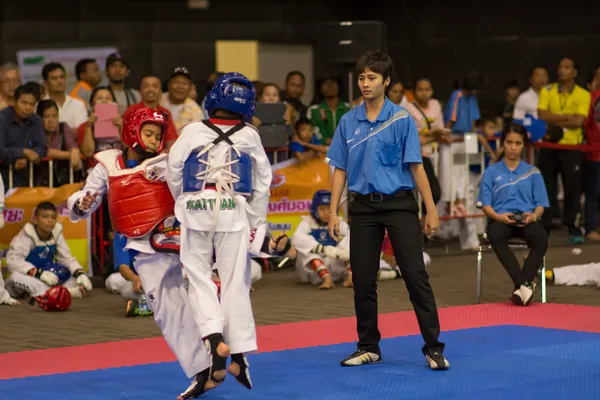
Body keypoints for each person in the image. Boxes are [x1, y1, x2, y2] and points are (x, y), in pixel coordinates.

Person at [66, 107, 214, 399]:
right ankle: (203, 369)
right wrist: (81, 203)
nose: (153, 140)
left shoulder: (166, 162)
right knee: (165, 308)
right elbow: (86, 197)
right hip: (145, 248)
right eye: (148, 133)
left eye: (157, 135)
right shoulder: (107, 164)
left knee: (202, 289)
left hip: (177, 236)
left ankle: (221, 349)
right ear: (132, 132)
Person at [325, 51, 448, 370]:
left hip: (399, 206)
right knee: (363, 279)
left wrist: (430, 211)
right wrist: (333, 210)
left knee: (415, 275)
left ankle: (433, 347)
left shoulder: (401, 118)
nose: (365, 83)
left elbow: (416, 166)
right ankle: (368, 346)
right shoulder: (348, 120)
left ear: (387, 81)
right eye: (362, 78)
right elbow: (339, 167)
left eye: (372, 78)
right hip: (363, 208)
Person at [166, 72, 272, 391]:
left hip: (197, 207)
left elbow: (173, 168)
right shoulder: (250, 134)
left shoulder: (193, 130)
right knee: (234, 280)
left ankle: (214, 338)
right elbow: (263, 178)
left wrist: (182, 202)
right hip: (233, 209)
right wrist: (254, 217)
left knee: (198, 276)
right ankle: (238, 351)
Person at [476, 123, 550, 306]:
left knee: (541, 238)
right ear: (503, 144)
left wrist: (533, 216)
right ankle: (525, 284)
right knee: (495, 234)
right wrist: (498, 217)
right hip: (500, 219)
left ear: (523, 145)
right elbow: (484, 204)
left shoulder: (533, 172)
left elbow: (541, 204)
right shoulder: (491, 172)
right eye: (509, 142)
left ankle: (522, 288)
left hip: (527, 218)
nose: (513, 147)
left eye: (518, 143)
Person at [5, 202, 92, 300]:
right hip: (31, 277)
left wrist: (80, 273)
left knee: (76, 281)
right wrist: (38, 273)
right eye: (45, 217)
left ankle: (51, 293)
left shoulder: (56, 233)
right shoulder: (26, 235)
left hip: (49, 277)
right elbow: (13, 261)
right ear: (36, 220)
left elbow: (66, 259)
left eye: (53, 217)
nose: (50, 221)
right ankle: (60, 292)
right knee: (14, 277)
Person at [292, 190, 352, 289]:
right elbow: (296, 239)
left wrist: (340, 252)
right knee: (306, 250)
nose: (326, 213)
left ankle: (351, 277)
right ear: (315, 210)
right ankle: (326, 279)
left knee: (352, 239)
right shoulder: (306, 223)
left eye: (329, 209)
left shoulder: (339, 223)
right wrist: (324, 249)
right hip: (311, 273)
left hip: (334, 268)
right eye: (322, 209)